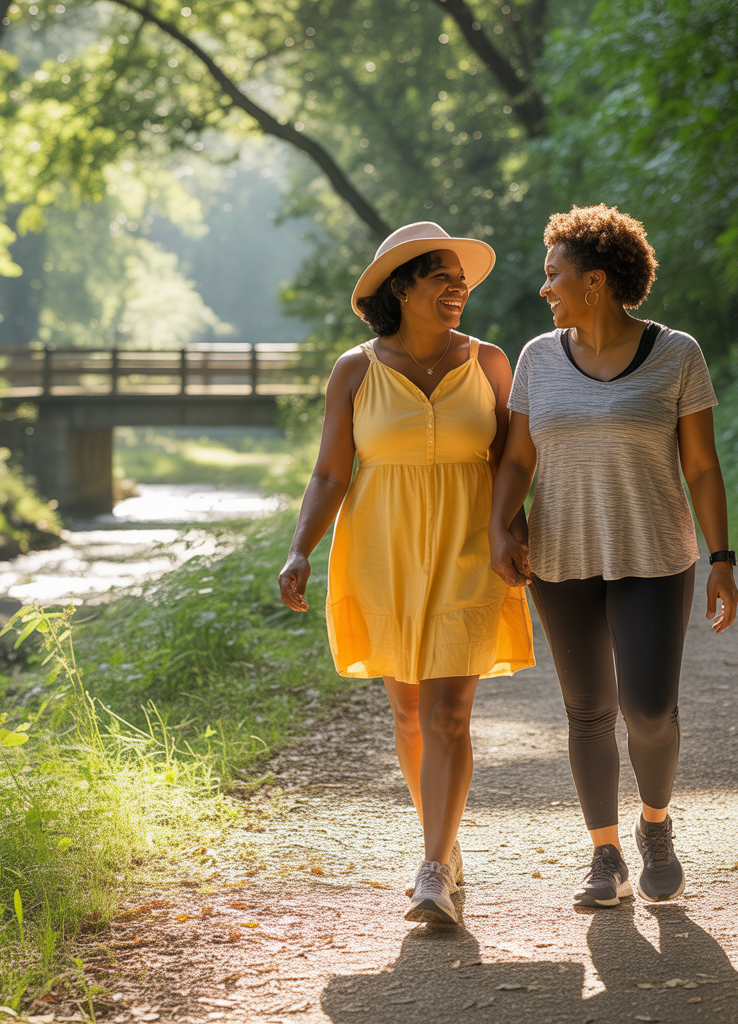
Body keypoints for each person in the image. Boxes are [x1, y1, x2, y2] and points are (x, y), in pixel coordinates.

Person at [278, 222, 535, 925]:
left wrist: (514, 527)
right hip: (381, 548)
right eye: (441, 277)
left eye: (461, 279)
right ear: (402, 285)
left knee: (451, 710)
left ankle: (430, 870)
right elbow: (331, 472)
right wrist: (301, 548)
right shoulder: (355, 370)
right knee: (410, 711)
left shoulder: (489, 362)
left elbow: (516, 456)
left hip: (467, 545)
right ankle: (445, 852)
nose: (458, 289)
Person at [489, 204, 738, 908]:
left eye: (553, 274)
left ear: (595, 281)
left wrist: (721, 557)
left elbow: (702, 468)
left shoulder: (677, 353)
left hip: (655, 557)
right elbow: (515, 459)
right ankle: (606, 855)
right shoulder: (539, 358)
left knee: (650, 710)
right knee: (588, 711)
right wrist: (498, 525)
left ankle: (655, 826)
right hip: (561, 559)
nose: (545, 288)